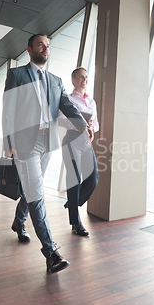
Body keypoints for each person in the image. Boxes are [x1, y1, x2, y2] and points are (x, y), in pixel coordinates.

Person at [2, 33, 93, 273]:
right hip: (25, 143)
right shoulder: (17, 74)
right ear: (30, 49)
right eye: (41, 44)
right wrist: (8, 140)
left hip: (47, 142)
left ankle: (19, 221)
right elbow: (8, 109)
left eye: (48, 46)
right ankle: (50, 251)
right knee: (37, 193)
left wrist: (83, 125)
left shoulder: (55, 80)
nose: (46, 48)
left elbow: (67, 105)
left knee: (32, 189)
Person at [58, 67, 99, 236]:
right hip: (72, 141)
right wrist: (79, 124)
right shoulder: (67, 99)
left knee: (93, 179)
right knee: (74, 180)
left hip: (87, 142)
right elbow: (60, 119)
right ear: (73, 80)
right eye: (81, 77)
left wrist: (91, 128)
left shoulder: (92, 102)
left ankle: (72, 203)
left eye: (86, 77)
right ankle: (76, 223)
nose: (84, 80)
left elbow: (96, 123)